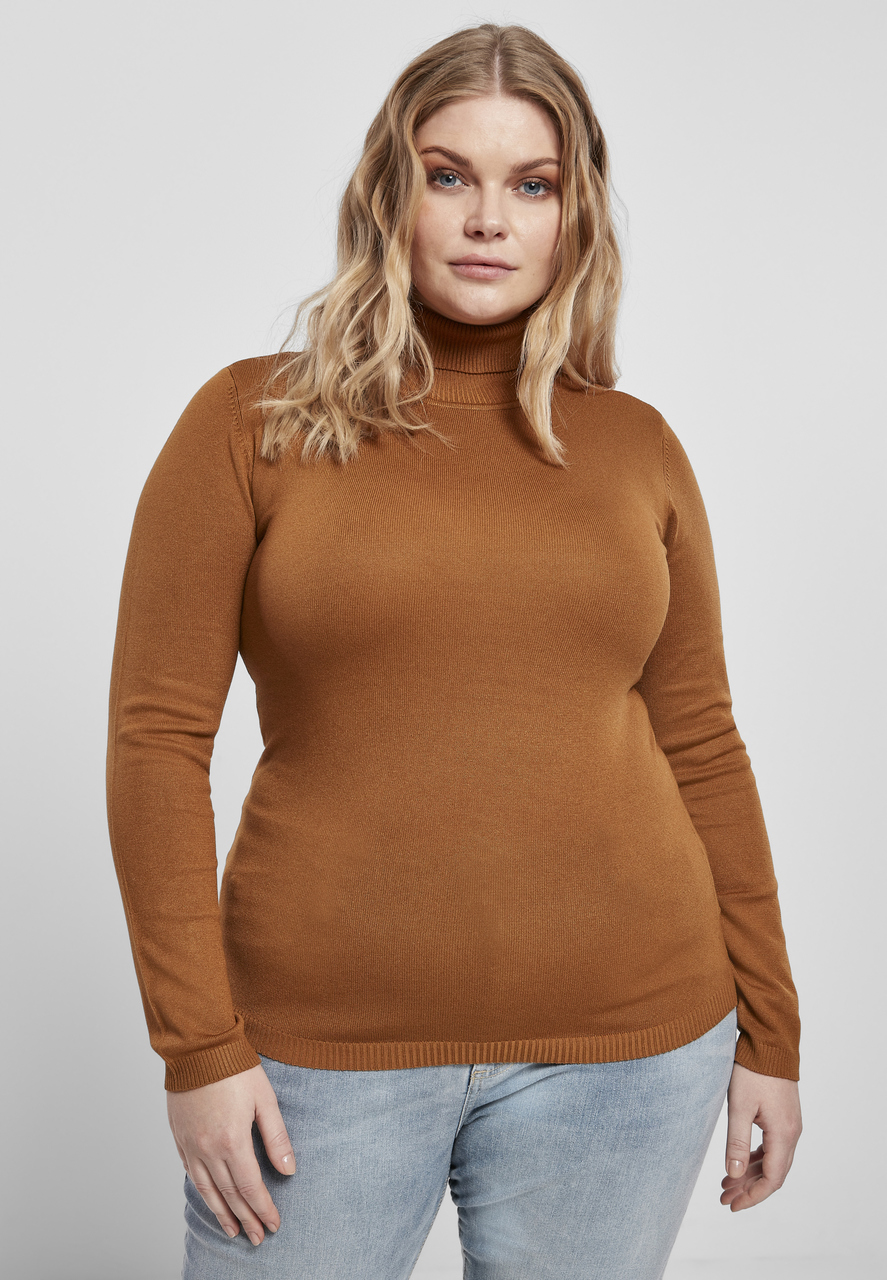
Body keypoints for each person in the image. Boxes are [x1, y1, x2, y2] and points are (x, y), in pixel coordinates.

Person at [106, 22, 802, 1280]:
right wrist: (196, 1045)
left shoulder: (635, 445)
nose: (488, 218)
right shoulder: (248, 422)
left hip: (629, 1053)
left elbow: (698, 738)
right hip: (315, 1052)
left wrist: (772, 1031)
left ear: (572, 217)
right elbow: (157, 740)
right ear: (391, 196)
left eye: (531, 184)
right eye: (448, 176)